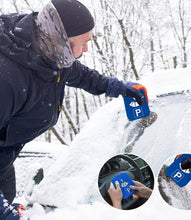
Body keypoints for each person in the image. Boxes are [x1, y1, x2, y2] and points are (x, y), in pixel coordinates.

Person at [0, 0, 147, 206]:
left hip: (4, 162)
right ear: (62, 39)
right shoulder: (7, 78)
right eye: (84, 42)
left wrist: (117, 88)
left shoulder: (52, 51)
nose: (87, 49)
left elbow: (80, 74)